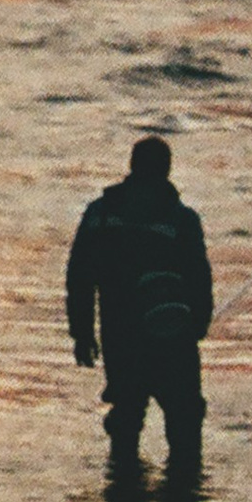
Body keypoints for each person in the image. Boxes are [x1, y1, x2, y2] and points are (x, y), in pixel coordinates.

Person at [67, 134, 214, 470]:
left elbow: (79, 278)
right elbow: (199, 278)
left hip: (119, 338)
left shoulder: (100, 215)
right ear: (167, 170)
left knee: (127, 423)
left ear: (131, 167)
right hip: (173, 339)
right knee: (185, 427)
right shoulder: (182, 221)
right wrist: (199, 325)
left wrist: (82, 334)